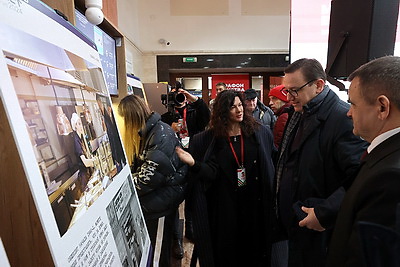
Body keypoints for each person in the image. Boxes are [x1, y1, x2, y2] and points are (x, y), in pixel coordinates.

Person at [274, 58, 368, 267]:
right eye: (286, 91)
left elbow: (359, 178)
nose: (289, 98)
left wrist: (324, 213)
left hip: (320, 229)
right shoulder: (301, 110)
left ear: (318, 85)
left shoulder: (341, 118)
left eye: (294, 91)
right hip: (298, 222)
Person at [176, 90, 276, 267]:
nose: (239, 110)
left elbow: (269, 162)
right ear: (223, 111)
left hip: (254, 203)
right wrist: (194, 163)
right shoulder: (211, 139)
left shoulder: (258, 133)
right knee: (227, 251)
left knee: (254, 249)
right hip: (224, 206)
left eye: (240, 105)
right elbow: (211, 173)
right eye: (232, 107)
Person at [327, 56, 400, 266]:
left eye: (353, 104)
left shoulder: (390, 178)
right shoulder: (385, 157)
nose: (349, 113)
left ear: (382, 107)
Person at [118, 95, 187, 267]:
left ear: (131, 118)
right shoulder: (153, 130)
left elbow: (145, 180)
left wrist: (125, 182)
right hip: (160, 200)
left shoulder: (159, 136)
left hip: (161, 205)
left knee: (158, 254)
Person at [171, 81, 211, 241]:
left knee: (193, 193)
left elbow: (206, 115)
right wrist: (170, 128)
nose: (178, 98)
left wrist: (193, 98)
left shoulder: (194, 111)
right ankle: (175, 236)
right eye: (175, 95)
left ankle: (190, 226)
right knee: (176, 195)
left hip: (193, 157)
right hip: (174, 159)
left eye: (180, 94)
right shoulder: (168, 114)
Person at [160, 111, 185, 259]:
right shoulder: (165, 140)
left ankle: (177, 240)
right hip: (169, 186)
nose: (180, 125)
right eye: (178, 122)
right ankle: (175, 241)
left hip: (174, 186)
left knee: (174, 214)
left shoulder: (172, 137)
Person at [70, 112, 95, 192]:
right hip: (84, 176)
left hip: (88, 173)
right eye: (79, 124)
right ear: (75, 126)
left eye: (81, 124)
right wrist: (96, 161)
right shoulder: (76, 141)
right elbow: (85, 163)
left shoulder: (80, 139)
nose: (81, 126)